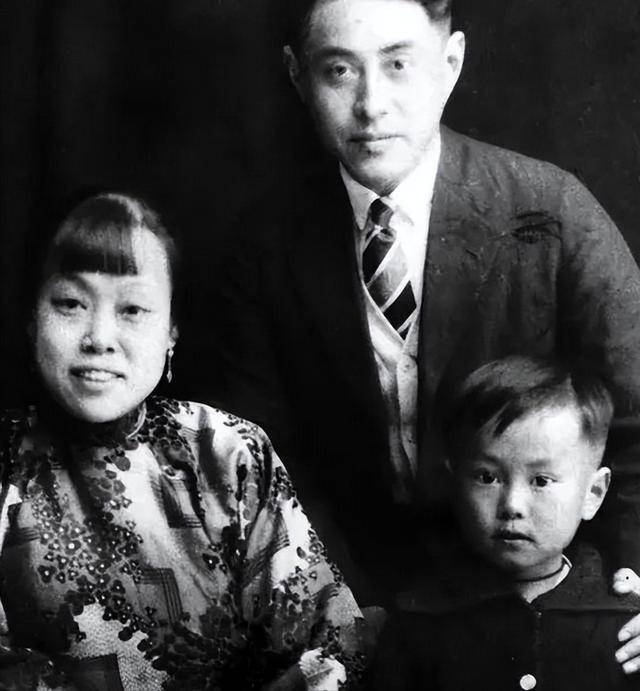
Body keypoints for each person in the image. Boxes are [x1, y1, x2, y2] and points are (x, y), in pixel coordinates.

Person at [215, 0, 640, 642]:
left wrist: (633, 573)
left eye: (398, 65)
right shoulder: (263, 244)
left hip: (539, 589)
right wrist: (338, 601)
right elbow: (258, 456)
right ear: (297, 75)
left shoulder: (550, 209)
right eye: (338, 71)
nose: (371, 105)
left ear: (450, 62)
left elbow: (636, 418)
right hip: (354, 591)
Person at [0, 193, 367, 690]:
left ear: (172, 332)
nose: (99, 337)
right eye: (70, 304)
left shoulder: (229, 454)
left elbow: (330, 646)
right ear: (31, 318)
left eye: (133, 309)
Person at [371, 356, 640, 690]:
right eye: (487, 477)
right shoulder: (418, 623)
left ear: (593, 493)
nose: (512, 505)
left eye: (541, 481)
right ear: (454, 482)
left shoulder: (626, 624)